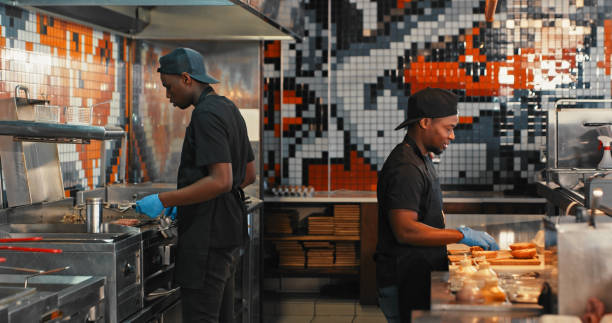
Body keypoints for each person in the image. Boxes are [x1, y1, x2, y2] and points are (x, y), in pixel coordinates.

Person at [134, 47, 256, 323]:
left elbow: (221, 180)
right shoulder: (228, 108)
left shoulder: (204, 116)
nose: (167, 95)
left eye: (169, 86)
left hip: (206, 241)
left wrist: (167, 200)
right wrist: (195, 198)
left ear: (187, 78)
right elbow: (247, 175)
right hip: (226, 236)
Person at [375, 87, 499, 323]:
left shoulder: (421, 158)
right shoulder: (406, 167)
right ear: (425, 122)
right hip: (404, 280)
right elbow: (406, 230)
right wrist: (459, 235)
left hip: (418, 276)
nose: (452, 136)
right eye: (448, 128)